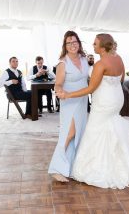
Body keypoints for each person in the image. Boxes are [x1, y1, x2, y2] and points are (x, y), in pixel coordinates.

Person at [57, 33, 129, 189]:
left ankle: (99, 168)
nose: (93, 45)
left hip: (104, 101)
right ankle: (120, 165)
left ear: (103, 46)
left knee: (95, 131)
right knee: (111, 127)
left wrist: (68, 94)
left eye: (95, 44)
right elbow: (121, 78)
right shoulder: (118, 58)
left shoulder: (100, 64)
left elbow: (91, 89)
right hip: (117, 98)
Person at [48, 31, 89, 182]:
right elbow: (58, 83)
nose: (72, 45)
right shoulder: (62, 63)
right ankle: (56, 168)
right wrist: (59, 90)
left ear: (79, 43)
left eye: (75, 42)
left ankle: (69, 168)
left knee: (78, 133)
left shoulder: (84, 59)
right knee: (69, 133)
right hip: (69, 101)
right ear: (65, 46)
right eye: (69, 43)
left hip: (82, 99)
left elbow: (88, 78)